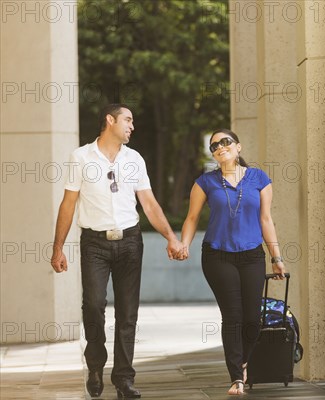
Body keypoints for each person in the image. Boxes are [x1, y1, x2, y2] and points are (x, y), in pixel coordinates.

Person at [50, 104, 183, 399]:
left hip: (130, 242)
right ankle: (95, 364)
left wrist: (171, 238)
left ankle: (124, 378)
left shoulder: (134, 158)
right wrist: (58, 248)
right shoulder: (81, 157)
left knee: (127, 314)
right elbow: (68, 204)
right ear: (109, 121)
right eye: (128, 120)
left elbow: (148, 203)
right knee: (94, 305)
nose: (132, 126)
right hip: (94, 243)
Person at [177, 128, 286, 395]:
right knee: (233, 316)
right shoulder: (205, 182)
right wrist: (184, 244)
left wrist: (277, 257)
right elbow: (192, 218)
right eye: (215, 145)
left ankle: (244, 360)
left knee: (252, 318)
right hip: (217, 255)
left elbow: (266, 220)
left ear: (238, 147)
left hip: (251, 255)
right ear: (213, 154)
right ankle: (236, 376)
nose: (220, 147)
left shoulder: (259, 178)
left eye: (226, 142)